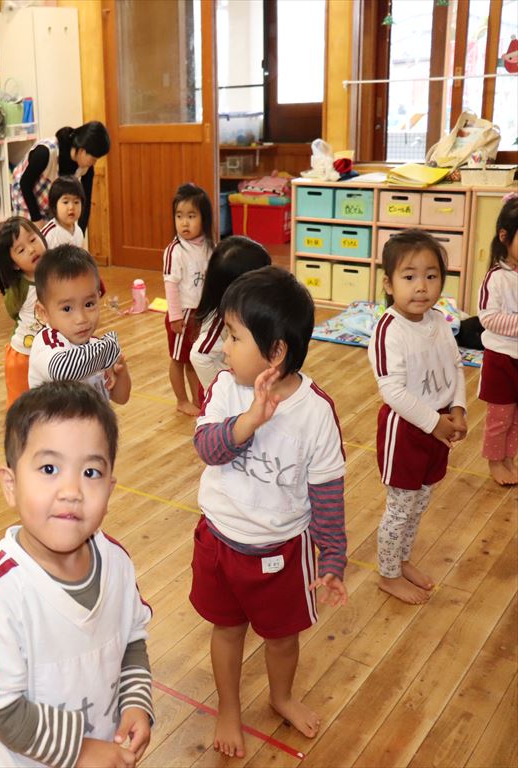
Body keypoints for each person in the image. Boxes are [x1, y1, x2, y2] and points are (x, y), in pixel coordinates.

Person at [192, 266, 348, 758]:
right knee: (227, 630)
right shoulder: (225, 387)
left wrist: (333, 557)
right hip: (219, 541)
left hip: (281, 552)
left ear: (276, 352)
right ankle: (229, 708)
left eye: (234, 336)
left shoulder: (316, 412)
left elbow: (327, 491)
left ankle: (281, 697)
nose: (224, 348)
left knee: (282, 639)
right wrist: (249, 421)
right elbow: (207, 448)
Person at [0, 381, 154, 768]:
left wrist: (135, 702)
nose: (71, 490)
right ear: (11, 485)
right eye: (49, 469)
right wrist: (80, 750)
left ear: (110, 488)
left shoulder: (116, 562)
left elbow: (132, 639)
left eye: (91, 472)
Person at [369, 229, 467, 604]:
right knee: (400, 507)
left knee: (421, 500)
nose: (421, 286)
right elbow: (391, 391)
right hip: (406, 430)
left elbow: (455, 366)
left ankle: (401, 559)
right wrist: (435, 422)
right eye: (409, 276)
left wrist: (457, 409)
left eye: (431, 275)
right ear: (389, 284)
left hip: (438, 425)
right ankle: (388, 574)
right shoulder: (388, 329)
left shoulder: (438, 321)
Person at [28, 245, 131, 404]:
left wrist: (121, 372)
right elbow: (62, 370)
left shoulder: (95, 346)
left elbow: (121, 398)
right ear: (43, 312)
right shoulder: (47, 343)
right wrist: (107, 352)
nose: (81, 318)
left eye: (89, 304)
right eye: (67, 309)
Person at [190, 236, 271, 395]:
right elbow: (199, 356)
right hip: (229, 392)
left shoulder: (244, 309)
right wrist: (220, 392)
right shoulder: (221, 322)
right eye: (264, 274)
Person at [476, 194, 518, 486]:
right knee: (500, 417)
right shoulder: (496, 278)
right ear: (505, 237)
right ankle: (495, 460)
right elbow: (488, 317)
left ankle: (509, 457)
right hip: (501, 359)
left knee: (516, 418)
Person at [164, 183, 214, 416]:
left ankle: (197, 399)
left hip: (201, 313)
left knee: (194, 359)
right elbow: (171, 284)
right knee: (178, 359)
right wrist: (175, 316)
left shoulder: (209, 246)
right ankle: (181, 400)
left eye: (191, 216)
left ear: (204, 218)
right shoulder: (175, 250)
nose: (184, 223)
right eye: (179, 216)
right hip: (182, 314)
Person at [10, 122, 110, 232]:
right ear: (82, 151)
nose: (94, 163)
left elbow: (85, 201)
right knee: (30, 236)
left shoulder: (86, 168)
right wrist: (36, 218)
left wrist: (80, 232)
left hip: (49, 203)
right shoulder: (46, 152)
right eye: (93, 159)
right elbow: (25, 183)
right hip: (25, 197)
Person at [0, 217, 47, 408]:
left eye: (32, 240)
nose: (31, 249)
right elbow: (13, 312)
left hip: (51, 354)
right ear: (14, 264)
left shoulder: (56, 274)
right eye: (21, 250)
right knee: (21, 407)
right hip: (23, 356)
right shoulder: (18, 288)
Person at [40, 175, 86, 249]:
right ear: (54, 205)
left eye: (76, 202)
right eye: (65, 202)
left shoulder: (78, 231)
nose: (71, 207)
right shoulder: (49, 234)